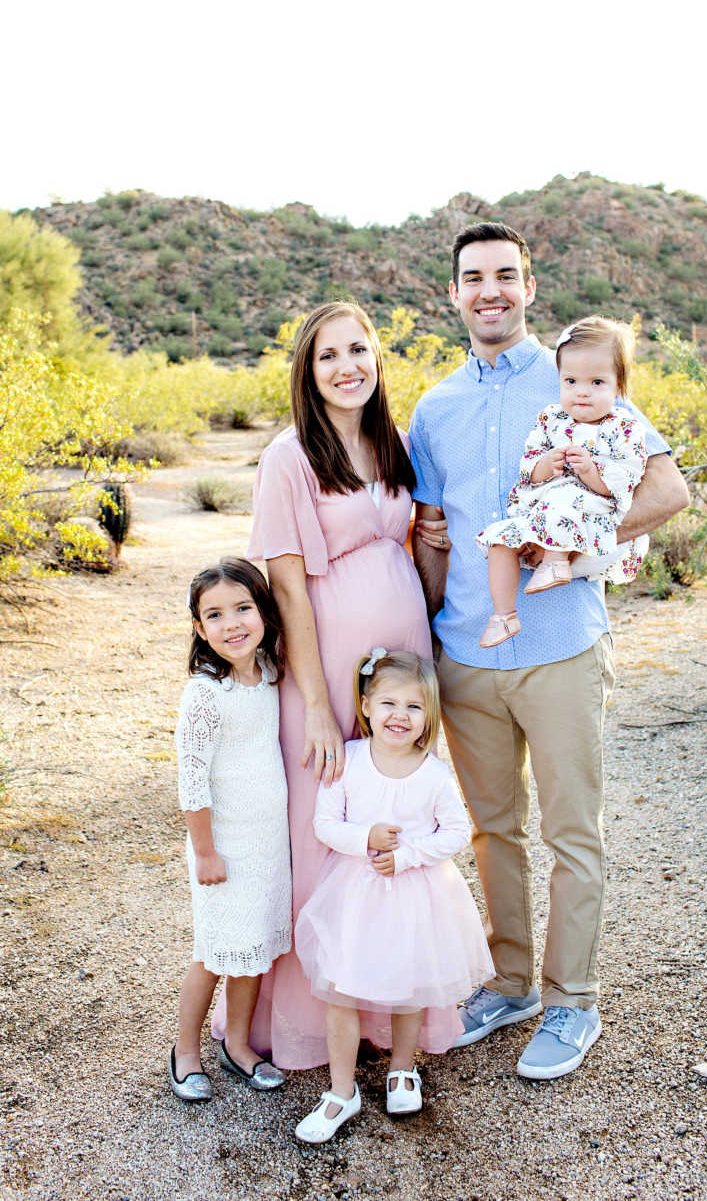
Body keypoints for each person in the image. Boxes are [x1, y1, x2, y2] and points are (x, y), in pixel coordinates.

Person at [410, 222, 689, 1080]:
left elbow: (669, 489)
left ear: (529, 285)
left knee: (573, 832)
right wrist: (423, 637)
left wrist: (593, 533)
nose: (489, 291)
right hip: (466, 651)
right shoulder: (434, 407)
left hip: (562, 643)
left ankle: (573, 1002)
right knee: (493, 832)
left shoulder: (581, 375)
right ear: (453, 295)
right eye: (472, 278)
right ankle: (509, 983)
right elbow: (434, 532)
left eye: (504, 275)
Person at [210, 300, 441, 1069]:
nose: (348, 368)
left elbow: (414, 543)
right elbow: (287, 589)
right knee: (325, 826)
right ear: (307, 373)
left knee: (392, 812)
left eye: (359, 351)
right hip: (328, 665)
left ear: (378, 358)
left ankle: (384, 1011)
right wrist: (313, 704)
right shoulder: (290, 456)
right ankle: (312, 1018)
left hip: (402, 660)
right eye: (328, 357)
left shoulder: (393, 442)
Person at [292, 649, 493, 1142]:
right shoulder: (349, 761)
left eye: (413, 707)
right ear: (365, 706)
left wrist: (406, 856)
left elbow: (456, 833)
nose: (399, 716)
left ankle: (403, 1068)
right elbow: (325, 824)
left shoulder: (433, 774)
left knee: (408, 984)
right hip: (354, 898)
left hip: (415, 898)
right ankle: (342, 1091)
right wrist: (364, 839)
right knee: (340, 990)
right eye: (388, 704)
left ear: (429, 715)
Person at [170, 558, 290, 1102]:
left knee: (254, 949)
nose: (232, 624)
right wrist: (206, 853)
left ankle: (238, 1044)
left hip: (268, 845)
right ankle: (185, 1050)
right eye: (214, 615)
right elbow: (191, 783)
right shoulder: (205, 694)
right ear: (199, 628)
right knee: (215, 953)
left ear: (263, 612)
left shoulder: (268, 672)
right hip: (222, 848)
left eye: (243, 608)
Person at [475, 315, 648, 648]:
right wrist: (544, 465)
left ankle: (556, 563)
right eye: (571, 381)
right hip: (540, 510)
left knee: (565, 499)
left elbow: (625, 480)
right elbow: (528, 467)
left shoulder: (623, 427)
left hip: (591, 506)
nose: (582, 392)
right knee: (498, 538)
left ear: (618, 386)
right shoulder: (551, 418)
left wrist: (590, 473)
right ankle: (504, 616)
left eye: (597, 383)